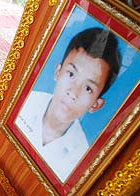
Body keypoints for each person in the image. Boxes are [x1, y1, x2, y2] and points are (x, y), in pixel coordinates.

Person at [15, 27, 121, 182]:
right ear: (58, 72)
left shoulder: (80, 159)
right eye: (71, 74)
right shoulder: (24, 102)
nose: (73, 92)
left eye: (88, 88)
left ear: (95, 105)